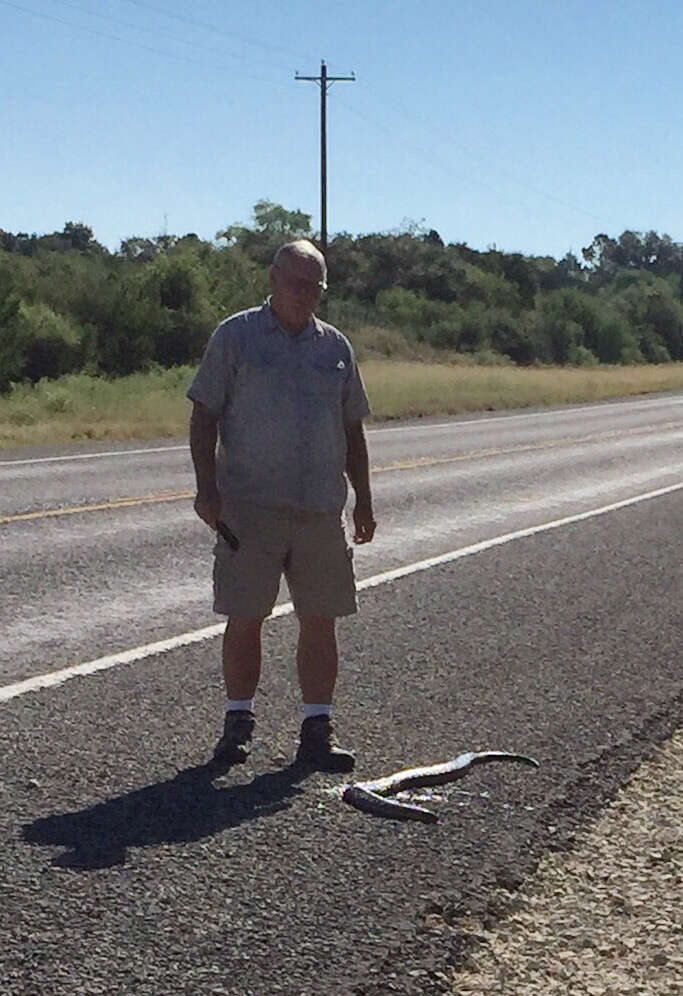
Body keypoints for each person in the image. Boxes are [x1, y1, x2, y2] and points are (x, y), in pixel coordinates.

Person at [187, 239, 375, 773]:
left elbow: (352, 427)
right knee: (245, 615)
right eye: (296, 283)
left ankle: (317, 729)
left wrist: (363, 498)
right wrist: (207, 490)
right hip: (249, 509)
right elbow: (203, 416)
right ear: (273, 280)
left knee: (321, 619)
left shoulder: (335, 347)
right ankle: (237, 723)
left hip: (319, 509)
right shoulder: (237, 337)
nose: (305, 295)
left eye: (315, 287)